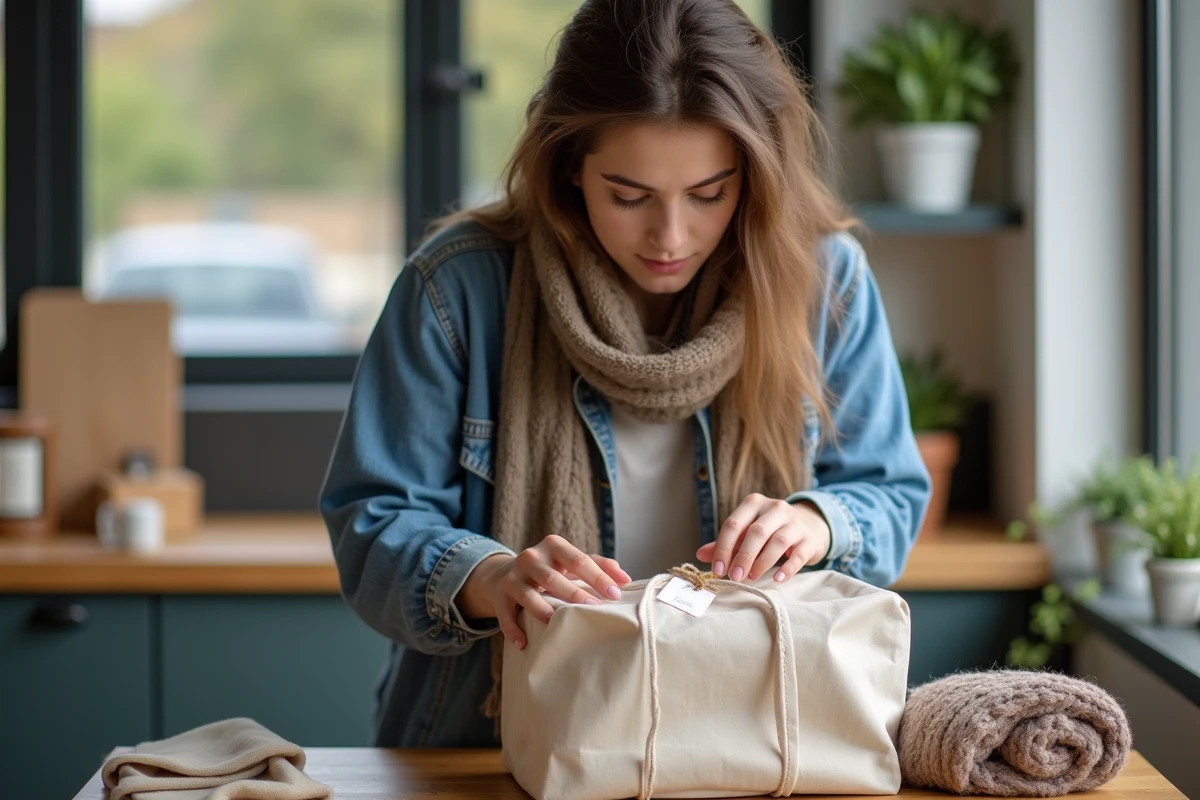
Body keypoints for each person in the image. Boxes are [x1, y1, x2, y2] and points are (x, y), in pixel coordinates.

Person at [319, 0, 931, 749]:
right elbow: (370, 524)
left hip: (748, 742)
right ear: (570, 166)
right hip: (489, 751)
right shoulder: (458, 288)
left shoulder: (823, 279)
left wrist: (813, 523)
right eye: (629, 196)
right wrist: (491, 579)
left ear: (755, 172)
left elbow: (890, 494)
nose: (670, 236)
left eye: (710, 193)